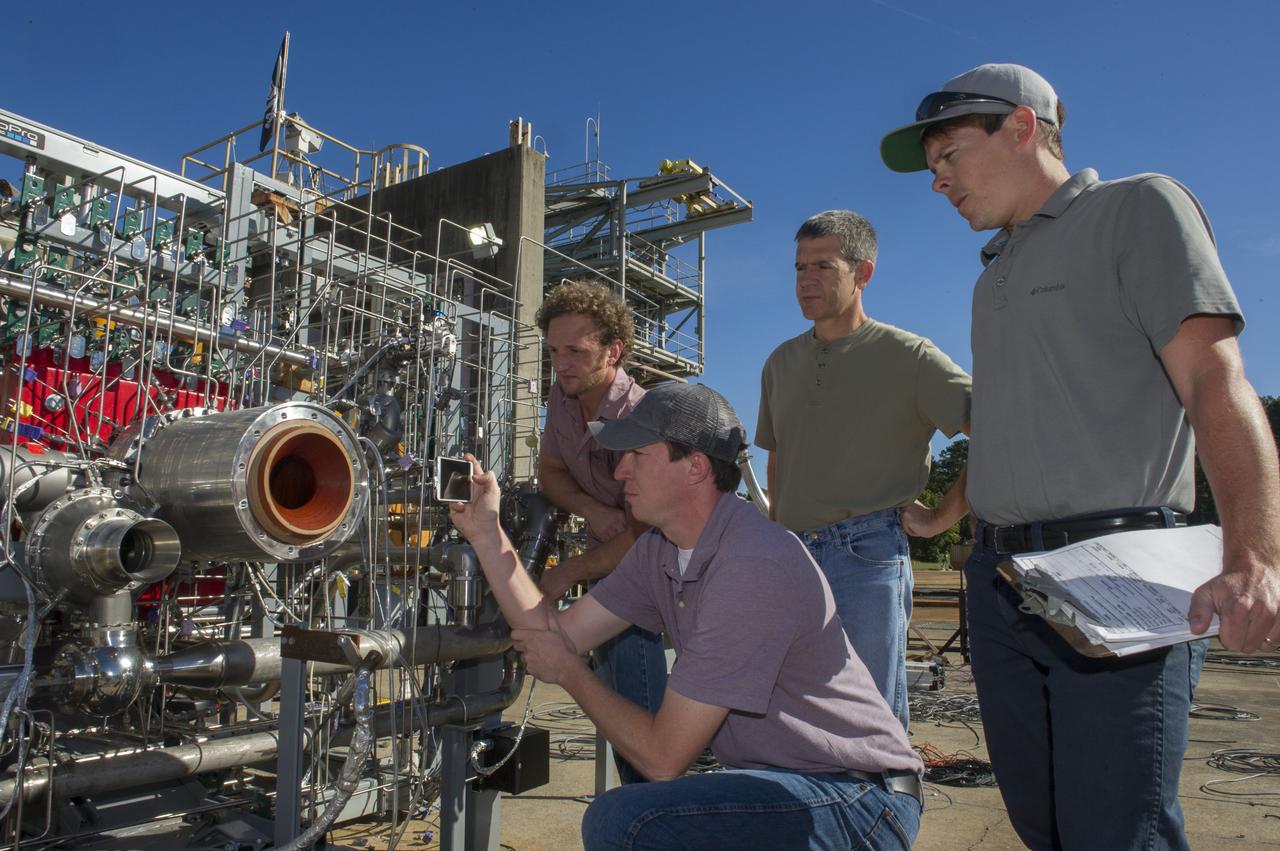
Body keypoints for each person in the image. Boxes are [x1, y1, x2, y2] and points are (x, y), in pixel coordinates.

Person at [881, 63, 1280, 850]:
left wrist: (1255, 552)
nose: (939, 181)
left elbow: (1213, 376)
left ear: (1023, 126)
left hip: (1118, 570)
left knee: (1113, 830)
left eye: (951, 154)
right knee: (1042, 822)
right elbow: (1001, 427)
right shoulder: (991, 278)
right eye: (932, 168)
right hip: (1000, 588)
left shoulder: (1137, 209)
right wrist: (941, 514)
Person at [450, 383, 924, 850]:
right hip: (783, 784)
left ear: (694, 467)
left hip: (859, 799)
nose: (619, 472)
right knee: (638, 815)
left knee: (626, 820)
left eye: (637, 454)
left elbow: (662, 758)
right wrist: (487, 535)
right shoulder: (658, 549)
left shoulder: (752, 563)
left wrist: (570, 673)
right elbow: (554, 634)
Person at [756, 210, 972, 730]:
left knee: (870, 716)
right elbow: (779, 457)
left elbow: (994, 429)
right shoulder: (779, 363)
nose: (806, 280)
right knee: (800, 710)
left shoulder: (911, 356)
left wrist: (943, 518)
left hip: (868, 552)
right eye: (799, 268)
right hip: (794, 555)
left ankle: (891, 809)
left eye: (823, 267)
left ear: (863, 272)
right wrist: (773, 540)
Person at [534, 280, 667, 785]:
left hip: (652, 572)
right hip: (607, 565)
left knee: (639, 715)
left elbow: (644, 534)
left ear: (614, 351)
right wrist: (591, 509)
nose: (561, 363)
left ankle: (652, 810)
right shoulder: (561, 397)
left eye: (575, 350)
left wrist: (568, 571)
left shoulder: (643, 415)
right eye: (553, 351)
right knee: (615, 706)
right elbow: (550, 472)